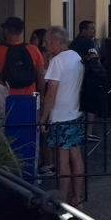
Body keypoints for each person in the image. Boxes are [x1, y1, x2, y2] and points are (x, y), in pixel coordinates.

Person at [39, 26, 87, 206]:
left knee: (62, 160)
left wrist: (43, 119)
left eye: (47, 42)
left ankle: (63, 198)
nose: (45, 45)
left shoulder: (57, 61)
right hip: (75, 112)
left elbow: (51, 93)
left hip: (61, 117)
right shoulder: (75, 56)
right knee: (76, 156)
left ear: (56, 42)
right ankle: (77, 196)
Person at [0, 16, 46, 96]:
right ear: (21, 32)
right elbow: (41, 78)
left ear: (6, 30)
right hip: (29, 98)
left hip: (5, 98)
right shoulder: (33, 49)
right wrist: (41, 97)